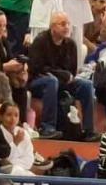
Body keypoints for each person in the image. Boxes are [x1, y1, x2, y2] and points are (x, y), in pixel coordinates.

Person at [29, 11, 97, 139]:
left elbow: (72, 72)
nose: (67, 27)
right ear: (53, 27)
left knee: (86, 84)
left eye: (68, 24)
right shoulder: (41, 41)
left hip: (63, 82)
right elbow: (37, 68)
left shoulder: (71, 44)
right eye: (62, 24)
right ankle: (47, 127)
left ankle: (89, 130)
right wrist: (61, 74)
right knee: (51, 81)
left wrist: (63, 76)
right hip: (39, 81)